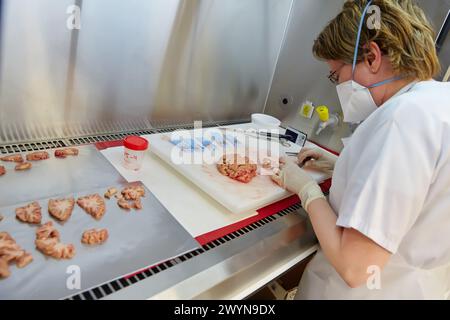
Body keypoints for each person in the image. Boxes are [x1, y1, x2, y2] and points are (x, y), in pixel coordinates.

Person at [272, 0, 450, 299]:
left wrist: (307, 191)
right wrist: (344, 165)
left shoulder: (402, 118)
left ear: (371, 57)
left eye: (336, 74)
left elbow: (355, 266)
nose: (337, 84)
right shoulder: (438, 101)